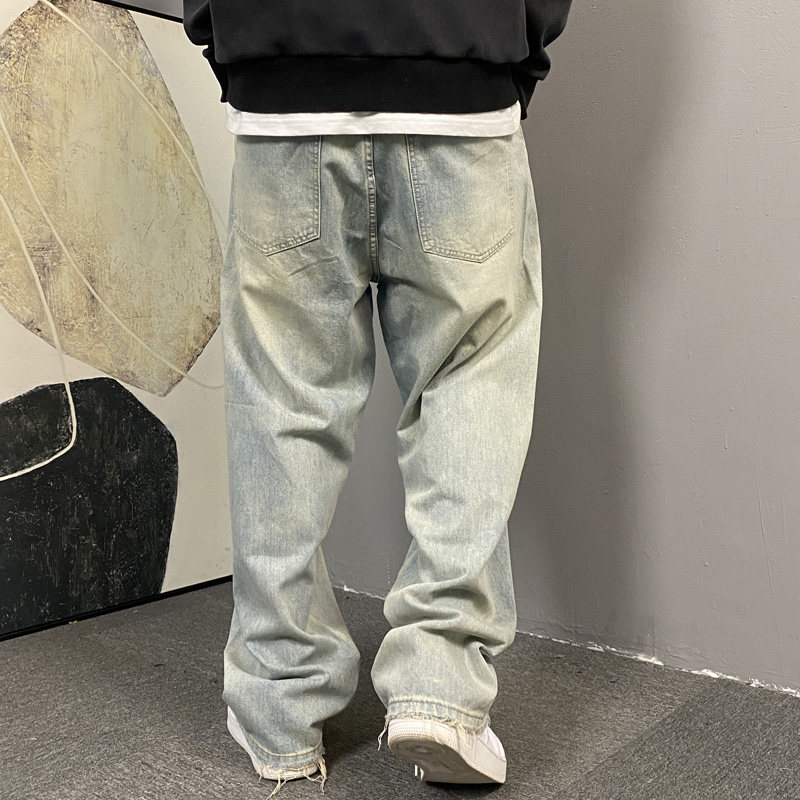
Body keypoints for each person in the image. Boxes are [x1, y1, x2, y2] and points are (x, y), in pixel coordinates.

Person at [182, 1, 572, 795]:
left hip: (283, 84)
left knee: (282, 400)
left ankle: (279, 705)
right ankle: (441, 684)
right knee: (468, 378)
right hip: (462, 75)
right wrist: (507, 51)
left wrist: (238, 44)